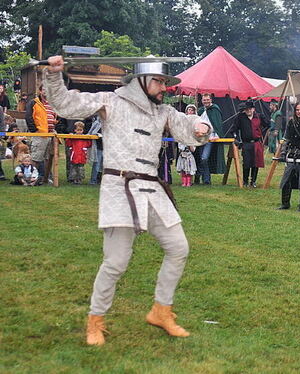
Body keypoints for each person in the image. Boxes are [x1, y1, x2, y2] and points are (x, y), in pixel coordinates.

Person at [44, 55, 211, 345]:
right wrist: (54, 75)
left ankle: (162, 310)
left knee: (178, 248)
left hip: (151, 188)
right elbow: (66, 104)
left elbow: (188, 123)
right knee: (116, 261)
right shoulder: (112, 101)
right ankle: (95, 319)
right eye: (159, 81)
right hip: (119, 187)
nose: (163, 88)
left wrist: (201, 127)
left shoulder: (163, 111)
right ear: (141, 81)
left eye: (165, 82)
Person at [231, 100, 268, 187]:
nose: (248, 111)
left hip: (256, 143)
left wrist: (260, 133)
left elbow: (268, 125)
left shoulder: (259, 117)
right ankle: (245, 181)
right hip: (246, 143)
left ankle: (253, 181)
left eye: (250, 109)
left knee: (256, 163)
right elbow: (233, 130)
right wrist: (236, 138)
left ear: (253, 109)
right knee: (247, 162)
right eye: (247, 109)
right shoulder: (240, 117)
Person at [25, 84, 58, 185]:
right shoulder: (34, 102)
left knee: (48, 158)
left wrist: (55, 125)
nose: (45, 91)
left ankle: (45, 179)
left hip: (51, 134)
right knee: (36, 158)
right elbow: (28, 117)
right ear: (40, 91)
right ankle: (31, 179)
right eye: (44, 89)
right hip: (39, 134)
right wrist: (34, 130)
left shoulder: (52, 104)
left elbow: (56, 117)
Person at [197, 93, 226, 185]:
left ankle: (206, 180)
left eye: (207, 99)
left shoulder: (215, 110)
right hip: (200, 137)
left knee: (204, 158)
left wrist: (217, 135)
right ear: (202, 101)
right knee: (199, 158)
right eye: (204, 100)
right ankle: (201, 179)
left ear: (211, 100)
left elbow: (217, 124)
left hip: (210, 138)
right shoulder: (201, 110)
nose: (205, 101)